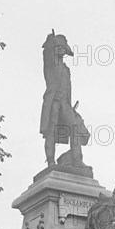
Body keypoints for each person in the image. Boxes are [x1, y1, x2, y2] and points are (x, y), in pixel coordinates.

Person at [40, 31, 89, 168]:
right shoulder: (50, 64)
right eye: (59, 47)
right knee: (51, 130)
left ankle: (77, 160)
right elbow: (46, 52)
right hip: (53, 103)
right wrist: (51, 39)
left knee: (74, 129)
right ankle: (50, 161)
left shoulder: (66, 69)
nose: (62, 50)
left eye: (63, 48)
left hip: (65, 104)